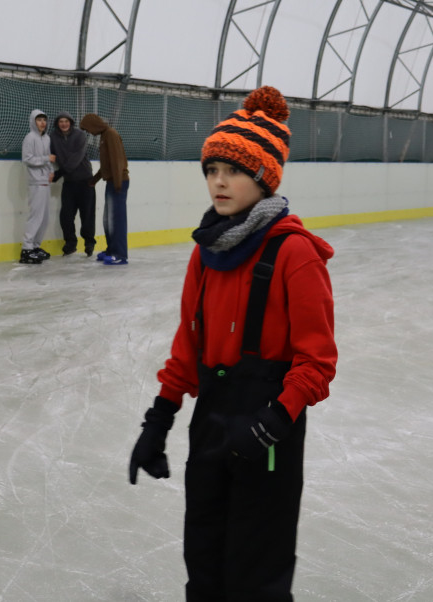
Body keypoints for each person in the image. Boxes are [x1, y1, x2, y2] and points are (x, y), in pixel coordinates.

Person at [128, 86, 337, 602]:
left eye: (234, 170)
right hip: (212, 423)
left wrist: (275, 421)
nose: (218, 182)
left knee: (256, 575)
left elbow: (318, 361)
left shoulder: (294, 254)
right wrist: (160, 419)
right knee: (204, 560)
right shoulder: (207, 253)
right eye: (211, 169)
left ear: (263, 176)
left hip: (267, 429)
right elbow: (188, 346)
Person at [80, 113, 130, 265]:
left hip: (118, 182)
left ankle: (120, 254)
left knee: (117, 220)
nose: (89, 133)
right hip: (112, 181)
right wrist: (94, 180)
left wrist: (117, 184)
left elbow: (117, 161)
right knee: (108, 219)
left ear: (94, 125)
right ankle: (111, 249)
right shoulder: (104, 136)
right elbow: (106, 165)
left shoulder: (111, 135)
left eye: (88, 129)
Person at [51, 111, 96, 256]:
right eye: (61, 121)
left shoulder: (80, 135)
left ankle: (89, 243)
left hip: (85, 181)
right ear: (57, 124)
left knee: (87, 214)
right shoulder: (52, 137)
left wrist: (58, 174)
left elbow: (76, 158)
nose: (64, 124)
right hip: (69, 182)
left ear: (71, 122)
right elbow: (50, 154)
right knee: (66, 215)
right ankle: (70, 244)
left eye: (66, 121)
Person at [20, 109, 56, 264]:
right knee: (36, 217)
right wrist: (46, 158)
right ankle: (26, 249)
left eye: (44, 120)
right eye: (39, 120)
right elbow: (27, 159)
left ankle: (35, 246)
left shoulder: (46, 138)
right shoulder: (30, 138)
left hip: (45, 182)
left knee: (45, 218)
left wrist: (51, 171)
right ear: (33, 121)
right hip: (35, 182)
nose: (42, 123)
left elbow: (48, 160)